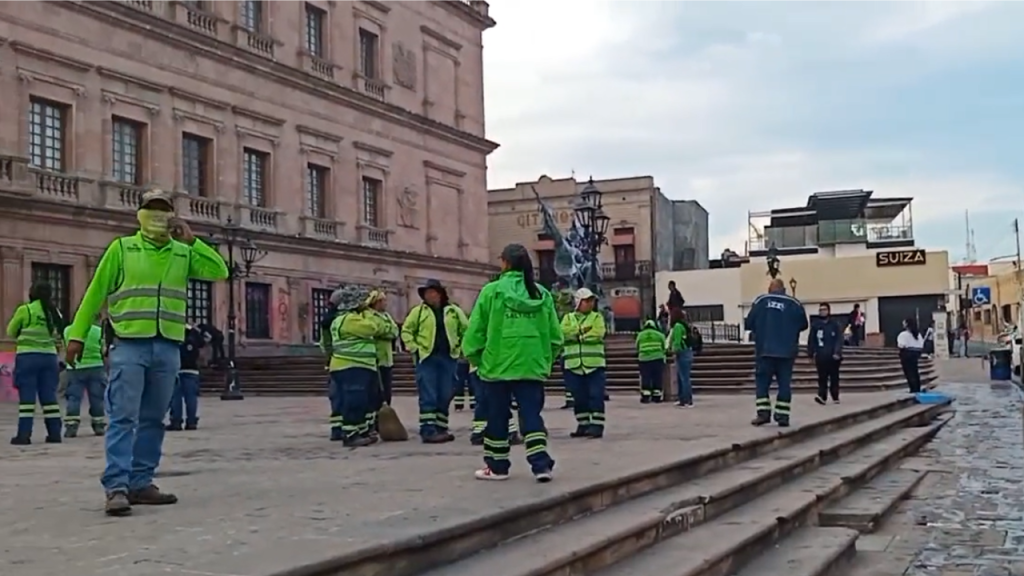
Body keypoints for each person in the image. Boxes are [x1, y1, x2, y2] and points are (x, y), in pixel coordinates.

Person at [65, 189, 229, 516]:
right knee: (123, 417)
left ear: (172, 215)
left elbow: (220, 271)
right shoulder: (122, 249)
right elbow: (94, 293)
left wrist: (193, 240)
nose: (157, 216)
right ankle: (116, 486)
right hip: (129, 344)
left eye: (164, 209)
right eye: (151, 209)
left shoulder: (182, 253)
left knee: (154, 419)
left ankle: (141, 482)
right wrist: (77, 336)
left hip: (168, 347)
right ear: (140, 213)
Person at [463, 243, 561, 481]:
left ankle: (497, 467)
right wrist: (544, 361)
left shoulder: (491, 291)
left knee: (497, 416)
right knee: (531, 415)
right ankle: (540, 465)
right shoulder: (541, 294)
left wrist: (477, 359)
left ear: (504, 262)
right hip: (531, 365)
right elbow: (556, 337)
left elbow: (475, 332)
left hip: (497, 365)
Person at [401, 279, 469, 443]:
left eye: (433, 292)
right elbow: (406, 330)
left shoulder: (453, 311)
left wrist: (462, 348)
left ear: (440, 294)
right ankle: (428, 429)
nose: (430, 296)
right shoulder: (418, 312)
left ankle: (441, 427)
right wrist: (414, 347)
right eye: (427, 293)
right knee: (428, 393)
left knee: (445, 392)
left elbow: (466, 329)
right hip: (427, 358)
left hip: (448, 357)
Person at [328, 287, 392, 447]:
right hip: (350, 366)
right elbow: (374, 328)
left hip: (360, 366)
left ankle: (362, 431)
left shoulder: (350, 317)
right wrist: (371, 315)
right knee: (354, 400)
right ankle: (350, 434)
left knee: (363, 401)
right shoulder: (349, 319)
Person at [744, 278, 808, 428]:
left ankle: (763, 414)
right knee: (784, 384)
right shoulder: (794, 304)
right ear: (784, 289)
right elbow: (804, 325)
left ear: (770, 288)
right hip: (787, 352)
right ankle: (782, 416)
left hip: (765, 350)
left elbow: (749, 323)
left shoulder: (761, 301)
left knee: (762, 383)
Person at [7, 281, 64, 445]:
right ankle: (54, 434)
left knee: (27, 398)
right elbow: (60, 334)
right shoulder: (55, 313)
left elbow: (11, 331)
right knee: (49, 397)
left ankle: (24, 435)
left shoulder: (26, 310)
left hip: (28, 357)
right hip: (49, 358)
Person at [561, 287, 608, 438]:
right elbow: (563, 333)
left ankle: (597, 426)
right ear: (578, 302)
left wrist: (577, 335)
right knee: (579, 397)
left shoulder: (597, 318)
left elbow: (598, 334)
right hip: (574, 365)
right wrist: (583, 331)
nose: (590, 303)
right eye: (587, 301)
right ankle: (583, 424)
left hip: (594, 364)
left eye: (592, 300)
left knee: (596, 395)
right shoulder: (568, 318)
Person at [63, 315, 107, 438]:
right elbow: (103, 350)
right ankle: (98, 425)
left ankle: (71, 427)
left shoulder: (68, 330)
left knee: (74, 398)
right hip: (96, 367)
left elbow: (67, 348)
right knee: (97, 398)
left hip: (75, 368)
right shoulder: (98, 331)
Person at [366, 289, 399, 437]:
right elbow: (375, 330)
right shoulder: (368, 315)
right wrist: (387, 331)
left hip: (387, 359)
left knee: (387, 393)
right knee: (375, 394)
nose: (386, 303)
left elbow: (394, 331)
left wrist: (387, 331)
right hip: (374, 359)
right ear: (376, 302)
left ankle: (384, 422)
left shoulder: (386, 316)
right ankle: (372, 423)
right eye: (383, 300)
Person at [166, 324, 205, 431]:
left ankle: (176, 421)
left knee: (175, 397)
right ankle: (191, 421)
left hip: (177, 369)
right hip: (192, 369)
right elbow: (203, 343)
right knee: (191, 397)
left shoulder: (174, 334)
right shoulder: (194, 336)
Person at [808, 303, 843, 405]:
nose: (822, 312)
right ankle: (822, 396)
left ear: (828, 311)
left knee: (834, 377)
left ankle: (835, 395)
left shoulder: (834, 325)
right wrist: (810, 353)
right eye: (820, 310)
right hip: (821, 355)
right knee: (822, 377)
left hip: (833, 356)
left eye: (824, 310)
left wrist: (837, 352)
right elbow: (812, 340)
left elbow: (839, 339)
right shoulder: (816, 325)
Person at [319, 293, 343, 439]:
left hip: (333, 362)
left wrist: (329, 358)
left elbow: (325, 344)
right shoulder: (342, 319)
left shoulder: (326, 321)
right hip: (347, 361)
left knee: (336, 396)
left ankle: (336, 428)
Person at [635, 319, 666, 404]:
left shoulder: (640, 335)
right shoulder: (660, 335)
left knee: (645, 377)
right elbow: (664, 346)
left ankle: (646, 396)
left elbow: (637, 346)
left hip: (644, 359)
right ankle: (657, 397)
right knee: (657, 377)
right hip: (657, 358)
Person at [669, 309, 695, 407]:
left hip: (682, 352)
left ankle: (686, 399)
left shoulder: (677, 326)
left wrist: (674, 351)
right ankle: (683, 399)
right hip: (687, 351)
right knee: (682, 377)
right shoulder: (684, 325)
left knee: (684, 377)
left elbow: (677, 340)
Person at [897, 318, 925, 393]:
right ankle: (917, 387)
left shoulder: (903, 335)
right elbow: (921, 344)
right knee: (915, 371)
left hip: (907, 353)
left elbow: (901, 345)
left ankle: (913, 388)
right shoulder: (917, 334)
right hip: (916, 353)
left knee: (908, 372)